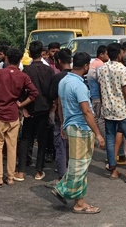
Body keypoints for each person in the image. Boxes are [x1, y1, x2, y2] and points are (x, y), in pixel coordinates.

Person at [50, 52, 105, 214]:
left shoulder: (64, 81)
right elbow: (87, 111)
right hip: (82, 128)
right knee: (80, 165)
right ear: (86, 66)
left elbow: (59, 104)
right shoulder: (79, 85)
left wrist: (62, 123)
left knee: (76, 163)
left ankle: (62, 189)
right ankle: (79, 203)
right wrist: (99, 134)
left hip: (70, 125)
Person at [0, 48, 38, 188]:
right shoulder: (23, 76)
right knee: (12, 146)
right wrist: (21, 105)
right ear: (20, 59)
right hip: (13, 114)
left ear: (6, 58)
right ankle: (11, 177)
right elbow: (34, 93)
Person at [97, 43, 126, 182]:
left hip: (108, 108)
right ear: (119, 55)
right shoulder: (121, 69)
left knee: (110, 138)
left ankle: (113, 169)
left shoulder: (101, 69)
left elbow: (100, 89)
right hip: (121, 109)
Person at [18, 41, 56, 181]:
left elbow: (20, 91)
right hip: (44, 108)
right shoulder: (49, 71)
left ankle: (21, 170)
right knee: (42, 138)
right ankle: (39, 170)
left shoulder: (26, 70)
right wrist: (52, 104)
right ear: (42, 53)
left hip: (29, 109)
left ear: (28, 54)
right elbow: (52, 91)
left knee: (25, 138)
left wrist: (23, 106)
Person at [46, 48, 72, 188]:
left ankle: (62, 177)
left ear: (59, 61)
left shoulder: (57, 77)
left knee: (60, 146)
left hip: (60, 116)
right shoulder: (76, 75)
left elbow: (52, 96)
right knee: (72, 147)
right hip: (75, 116)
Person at [87, 45, 108, 134]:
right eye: (107, 54)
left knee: (95, 118)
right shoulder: (100, 65)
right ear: (101, 54)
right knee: (101, 119)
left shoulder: (93, 63)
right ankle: (102, 139)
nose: (108, 56)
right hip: (99, 97)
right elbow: (101, 82)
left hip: (93, 95)